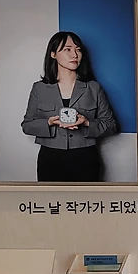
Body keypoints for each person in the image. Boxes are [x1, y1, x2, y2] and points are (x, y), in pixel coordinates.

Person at [20, 31, 118, 182]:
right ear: (53, 54)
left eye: (78, 50)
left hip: (86, 158)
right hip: (50, 159)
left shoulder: (93, 88)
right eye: (67, 49)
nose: (74, 55)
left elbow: (111, 126)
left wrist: (87, 123)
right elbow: (27, 126)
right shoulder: (39, 88)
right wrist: (49, 122)